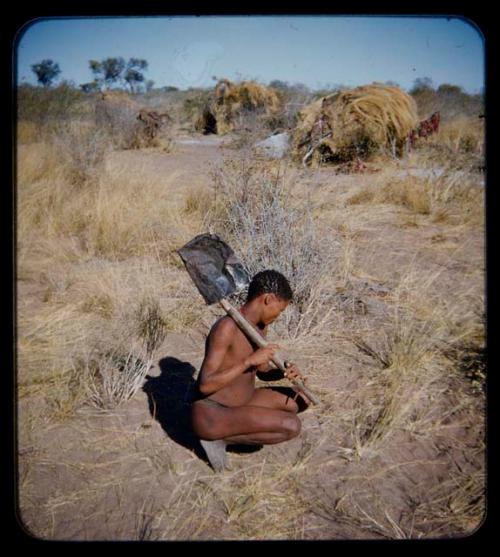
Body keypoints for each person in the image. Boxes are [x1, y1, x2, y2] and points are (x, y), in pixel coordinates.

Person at [191, 269, 310, 472]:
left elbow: (262, 369)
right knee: (292, 426)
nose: (278, 316)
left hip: (243, 401)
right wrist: (247, 362)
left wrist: (283, 372)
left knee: (301, 399)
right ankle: (218, 439)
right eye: (279, 310)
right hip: (212, 413)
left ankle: (239, 423)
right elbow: (204, 385)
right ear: (268, 299)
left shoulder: (259, 327)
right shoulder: (225, 328)